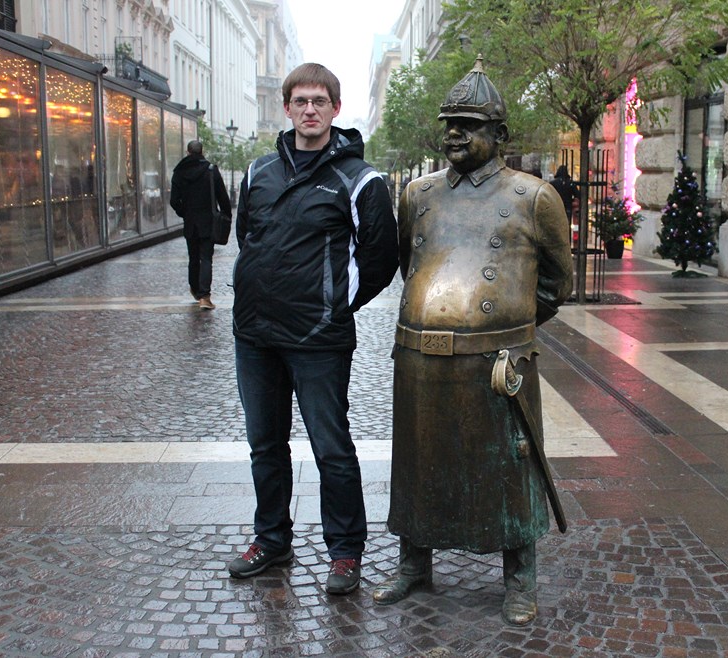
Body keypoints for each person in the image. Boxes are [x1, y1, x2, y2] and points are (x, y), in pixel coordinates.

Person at [372, 58, 573, 625]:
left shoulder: (534, 198)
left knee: (511, 466)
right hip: (421, 358)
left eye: (469, 125)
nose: (455, 134)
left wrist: (504, 325)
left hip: (497, 362)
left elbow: (556, 285)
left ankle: (520, 578)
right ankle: (414, 564)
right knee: (418, 463)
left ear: (500, 134)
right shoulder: (418, 194)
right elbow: (409, 264)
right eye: (450, 124)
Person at [227, 63, 399, 595]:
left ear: (335, 109)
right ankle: (272, 538)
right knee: (265, 445)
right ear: (287, 108)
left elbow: (380, 258)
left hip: (318, 339)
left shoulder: (360, 179)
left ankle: (345, 551)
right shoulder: (259, 172)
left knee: (331, 448)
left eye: (319, 101)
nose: (309, 110)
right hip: (255, 334)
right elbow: (247, 237)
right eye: (300, 101)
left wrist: (335, 305)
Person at [170, 140, 231, 310]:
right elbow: (223, 197)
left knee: (193, 258)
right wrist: (226, 216)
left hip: (190, 222)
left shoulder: (179, 172)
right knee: (206, 258)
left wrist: (184, 212)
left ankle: (195, 290)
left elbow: (174, 200)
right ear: (202, 151)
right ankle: (205, 296)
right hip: (208, 221)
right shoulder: (211, 170)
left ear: (188, 152)